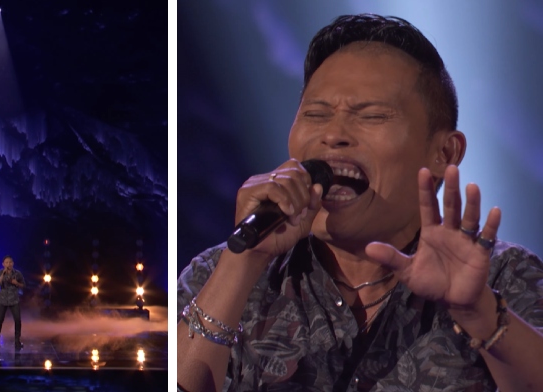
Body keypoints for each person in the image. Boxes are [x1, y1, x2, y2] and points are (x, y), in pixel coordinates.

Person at [177, 14, 543, 392]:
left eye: (371, 116)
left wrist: (480, 315)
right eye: (315, 115)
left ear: (445, 152)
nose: (333, 135)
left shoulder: (504, 277)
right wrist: (244, 261)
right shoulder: (219, 275)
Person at [0, 255, 25, 349]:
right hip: (2, 300)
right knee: (0, 320)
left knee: (17, 320)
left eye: (10, 262)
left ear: (13, 263)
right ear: (3, 264)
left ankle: (17, 341)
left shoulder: (17, 273)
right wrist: (3, 275)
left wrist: (17, 283)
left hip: (14, 300)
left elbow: (23, 285)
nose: (8, 264)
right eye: (6, 262)